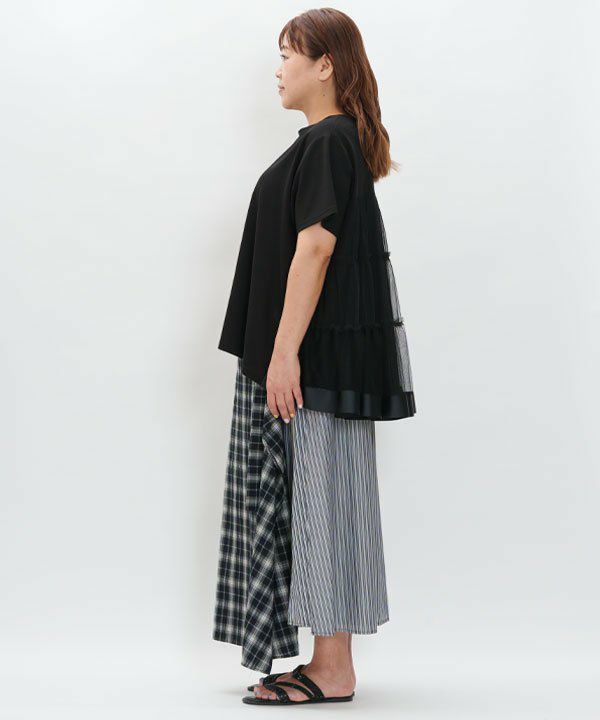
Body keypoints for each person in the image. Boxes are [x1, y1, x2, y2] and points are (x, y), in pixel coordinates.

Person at [213, 8, 417, 706]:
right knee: (323, 503)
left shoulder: (329, 141)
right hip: (322, 361)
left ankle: (332, 670)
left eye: (287, 55)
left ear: (324, 64)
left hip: (314, 363)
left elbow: (316, 247)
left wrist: (283, 354)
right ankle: (330, 663)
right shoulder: (330, 141)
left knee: (323, 504)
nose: (278, 70)